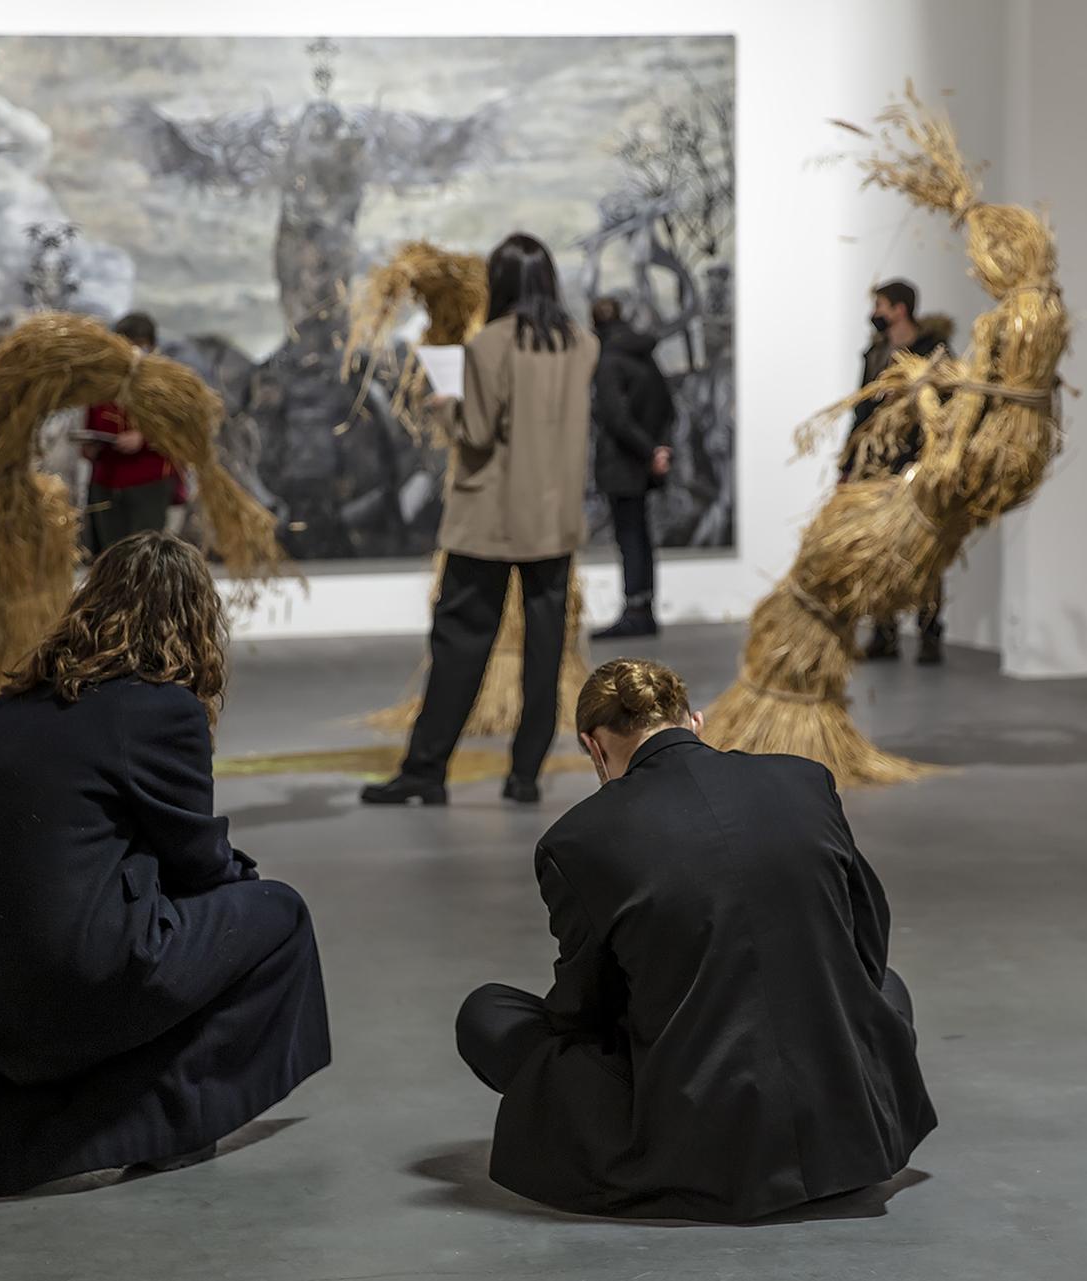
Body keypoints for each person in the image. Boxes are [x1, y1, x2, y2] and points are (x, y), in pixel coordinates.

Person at [0, 532, 331, 1197]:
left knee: (100, 921)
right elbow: (198, 864)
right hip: (59, 983)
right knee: (279, 916)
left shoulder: (12, 702)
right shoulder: (162, 709)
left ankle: (1, 1126)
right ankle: (169, 1120)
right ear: (194, 620)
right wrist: (242, 884)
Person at [455, 658, 937, 1221]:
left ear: (593, 746)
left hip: (702, 1143)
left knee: (487, 1013)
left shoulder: (578, 839)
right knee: (889, 987)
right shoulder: (805, 780)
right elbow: (868, 944)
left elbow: (585, 1011)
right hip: (847, 1128)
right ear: (695, 721)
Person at [361, 234, 600, 807]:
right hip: (553, 520)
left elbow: (477, 432)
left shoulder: (491, 344)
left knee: (459, 645)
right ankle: (525, 776)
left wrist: (446, 407)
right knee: (546, 652)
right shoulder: (582, 344)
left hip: (490, 518)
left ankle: (426, 771)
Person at [846, 280, 955, 664]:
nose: (875, 313)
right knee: (880, 548)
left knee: (924, 549)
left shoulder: (933, 353)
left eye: (881, 305)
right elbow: (861, 410)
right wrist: (849, 461)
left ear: (899, 310)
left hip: (917, 461)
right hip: (878, 464)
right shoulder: (876, 354)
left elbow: (947, 406)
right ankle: (884, 630)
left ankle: (929, 631)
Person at [588, 298, 675, 640]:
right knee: (639, 534)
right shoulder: (644, 355)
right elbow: (666, 405)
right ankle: (643, 608)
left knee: (630, 536)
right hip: (643, 462)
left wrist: (649, 450)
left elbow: (615, 418)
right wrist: (658, 449)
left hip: (622, 463)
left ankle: (636, 611)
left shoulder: (610, 359)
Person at [84, 312, 178, 554]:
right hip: (105, 482)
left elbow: (179, 429)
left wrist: (144, 438)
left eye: (139, 345)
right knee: (110, 556)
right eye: (126, 344)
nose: (133, 352)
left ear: (152, 346)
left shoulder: (167, 383)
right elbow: (92, 423)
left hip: (148, 481)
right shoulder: (101, 383)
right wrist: (89, 447)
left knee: (145, 556)